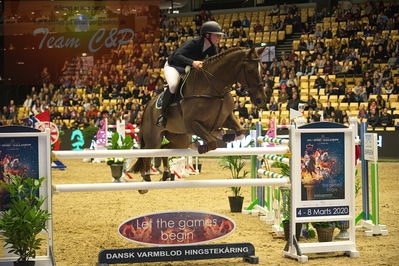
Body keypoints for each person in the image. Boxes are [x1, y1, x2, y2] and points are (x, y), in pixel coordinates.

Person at [156, 21, 224, 127]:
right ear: (207, 35)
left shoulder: (212, 48)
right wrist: (192, 62)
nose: (219, 38)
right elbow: (176, 56)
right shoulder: (193, 43)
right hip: (173, 66)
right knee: (174, 85)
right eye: (217, 35)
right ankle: (163, 115)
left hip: (188, 69)